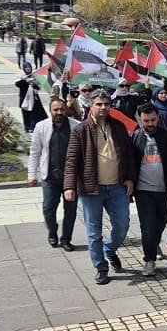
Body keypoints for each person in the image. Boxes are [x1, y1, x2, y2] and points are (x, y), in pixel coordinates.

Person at [63, 90, 137, 285]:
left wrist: (130, 179)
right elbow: (71, 160)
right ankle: (101, 267)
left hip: (117, 187)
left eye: (106, 104)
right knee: (93, 232)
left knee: (122, 226)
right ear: (91, 106)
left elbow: (129, 155)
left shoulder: (119, 127)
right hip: (91, 189)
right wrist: (69, 186)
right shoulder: (81, 130)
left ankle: (109, 249)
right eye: (99, 104)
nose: (103, 108)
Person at [131, 103, 167, 277]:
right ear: (140, 119)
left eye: (153, 119)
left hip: (163, 188)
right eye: (146, 120)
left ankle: (153, 243)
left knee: (162, 219)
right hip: (142, 190)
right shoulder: (135, 136)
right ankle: (149, 259)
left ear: (158, 118)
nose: (150, 123)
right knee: (148, 226)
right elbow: (128, 162)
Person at [27, 98, 80, 251]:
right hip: (49, 177)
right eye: (56, 110)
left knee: (70, 210)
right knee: (48, 208)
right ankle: (52, 231)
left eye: (62, 110)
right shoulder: (41, 126)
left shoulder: (76, 126)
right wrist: (32, 174)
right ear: (50, 111)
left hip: (70, 178)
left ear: (66, 110)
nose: (59, 113)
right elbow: (35, 152)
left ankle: (66, 239)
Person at [15, 63, 48, 133]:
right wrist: (25, 81)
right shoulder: (21, 76)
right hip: (24, 98)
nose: (28, 69)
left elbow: (38, 87)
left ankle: (34, 126)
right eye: (26, 68)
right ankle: (27, 127)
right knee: (26, 112)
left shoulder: (34, 75)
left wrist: (33, 83)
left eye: (29, 67)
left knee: (35, 113)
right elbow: (18, 84)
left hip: (34, 97)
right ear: (23, 68)